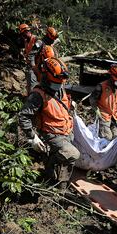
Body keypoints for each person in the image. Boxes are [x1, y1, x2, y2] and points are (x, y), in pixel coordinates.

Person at [19, 57, 80, 187]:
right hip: (51, 134)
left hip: (66, 131)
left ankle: (61, 186)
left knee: (68, 162)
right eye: (55, 83)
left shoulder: (60, 86)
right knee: (72, 153)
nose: (58, 86)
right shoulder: (38, 95)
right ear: (46, 77)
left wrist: (70, 104)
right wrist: (33, 136)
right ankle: (48, 163)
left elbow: (59, 104)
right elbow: (24, 116)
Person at [89, 64, 117, 140]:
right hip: (103, 116)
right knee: (107, 138)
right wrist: (96, 110)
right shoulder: (101, 86)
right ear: (112, 78)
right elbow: (92, 99)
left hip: (114, 116)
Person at [19, 24, 59, 95]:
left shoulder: (40, 41)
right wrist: (34, 67)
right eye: (25, 32)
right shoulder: (38, 42)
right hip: (35, 66)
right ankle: (31, 100)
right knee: (33, 86)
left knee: (45, 87)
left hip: (44, 68)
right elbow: (31, 54)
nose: (26, 33)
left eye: (27, 31)